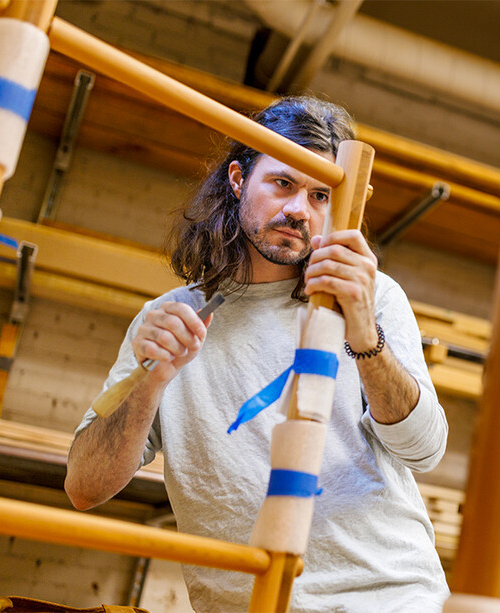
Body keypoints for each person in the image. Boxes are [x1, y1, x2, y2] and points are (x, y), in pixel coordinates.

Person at [65, 96, 450, 613]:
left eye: (320, 195)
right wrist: (151, 381)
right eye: (283, 184)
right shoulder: (171, 319)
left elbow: (424, 451)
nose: (299, 210)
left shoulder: (374, 296)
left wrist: (363, 331)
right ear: (238, 179)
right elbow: (83, 488)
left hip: (392, 600)